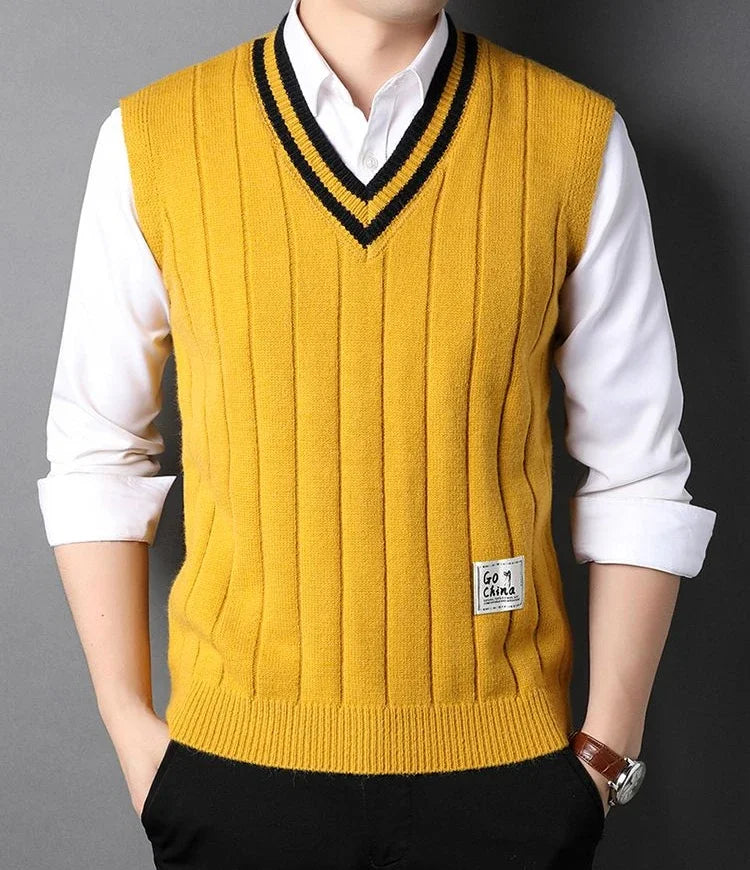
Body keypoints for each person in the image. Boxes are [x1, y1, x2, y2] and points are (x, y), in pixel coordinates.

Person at [37, 1, 717, 867]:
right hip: (231, 777)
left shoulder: (575, 137)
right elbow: (97, 454)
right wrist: (134, 733)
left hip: (508, 781)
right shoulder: (154, 138)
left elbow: (639, 469)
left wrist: (604, 756)